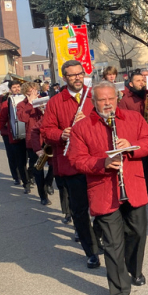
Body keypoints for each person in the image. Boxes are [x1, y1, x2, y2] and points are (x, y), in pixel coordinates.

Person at [68, 81, 148, 295]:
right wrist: (103, 163)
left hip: (133, 186)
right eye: (102, 100)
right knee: (112, 244)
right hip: (104, 191)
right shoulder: (82, 127)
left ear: (117, 98)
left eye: (110, 98)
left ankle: (134, 269)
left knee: (137, 232)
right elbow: (76, 160)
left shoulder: (133, 118)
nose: (107, 103)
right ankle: (119, 292)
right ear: (93, 102)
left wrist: (132, 146)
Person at [41, 60, 101, 269]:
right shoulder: (56, 102)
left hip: (96, 160)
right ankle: (91, 251)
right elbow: (46, 131)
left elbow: (110, 120)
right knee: (80, 210)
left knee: (102, 205)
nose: (77, 78)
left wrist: (91, 120)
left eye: (80, 73)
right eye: (72, 75)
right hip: (72, 164)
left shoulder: (94, 95)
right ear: (64, 77)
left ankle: (98, 237)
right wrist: (62, 134)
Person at [118, 70, 148, 201]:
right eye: (138, 81)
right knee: (144, 164)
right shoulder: (125, 100)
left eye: (142, 80)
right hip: (137, 136)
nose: (141, 83)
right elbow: (123, 119)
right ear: (131, 84)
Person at [0, 80, 30, 191]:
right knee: (17, 159)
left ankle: (29, 177)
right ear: (10, 89)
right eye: (14, 87)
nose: (17, 89)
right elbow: (0, 118)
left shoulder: (27, 99)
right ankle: (23, 181)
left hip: (28, 134)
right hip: (13, 134)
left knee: (28, 158)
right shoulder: (5, 101)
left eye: (18, 87)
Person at [17, 82, 52, 205]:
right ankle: (43, 196)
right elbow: (23, 118)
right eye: (30, 91)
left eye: (35, 91)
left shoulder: (44, 100)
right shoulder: (21, 105)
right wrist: (30, 103)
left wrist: (44, 109)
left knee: (54, 165)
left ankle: (48, 182)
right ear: (26, 93)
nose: (34, 93)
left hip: (47, 137)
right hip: (33, 140)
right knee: (38, 168)